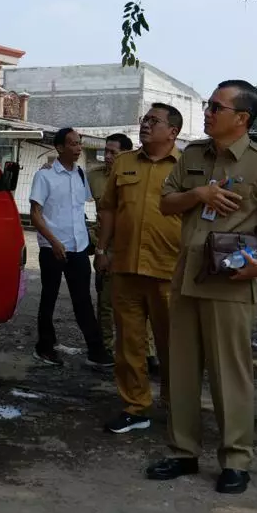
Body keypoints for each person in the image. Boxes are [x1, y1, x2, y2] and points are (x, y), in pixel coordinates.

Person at [146, 80, 257, 495]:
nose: (207, 111)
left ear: (241, 118)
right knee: (181, 372)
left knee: (231, 375)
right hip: (187, 278)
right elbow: (166, 203)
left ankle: (235, 460)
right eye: (208, 105)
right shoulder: (192, 155)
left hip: (230, 281)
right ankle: (182, 452)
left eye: (216, 106)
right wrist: (199, 193)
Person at [95, 104, 183, 434]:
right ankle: (136, 406)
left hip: (168, 269)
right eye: (145, 119)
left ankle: (177, 408)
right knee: (128, 344)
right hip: (126, 267)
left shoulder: (186, 167)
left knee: (173, 345)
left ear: (172, 132)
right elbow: (109, 211)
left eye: (154, 121)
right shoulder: (124, 163)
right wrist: (102, 250)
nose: (145, 124)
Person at [29, 128, 114, 368]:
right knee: (49, 297)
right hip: (52, 248)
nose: (78, 148)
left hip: (78, 247)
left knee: (83, 300)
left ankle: (95, 351)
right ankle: (44, 347)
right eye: (73, 144)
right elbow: (36, 215)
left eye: (79, 143)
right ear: (59, 148)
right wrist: (54, 242)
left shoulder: (79, 174)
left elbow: (82, 206)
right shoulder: (44, 176)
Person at [87, 133, 133, 357]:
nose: (107, 156)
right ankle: (106, 347)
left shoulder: (136, 177)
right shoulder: (93, 177)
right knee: (105, 302)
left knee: (134, 304)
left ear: (125, 153)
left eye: (113, 152)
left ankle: (144, 350)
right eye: (105, 151)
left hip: (132, 246)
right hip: (105, 245)